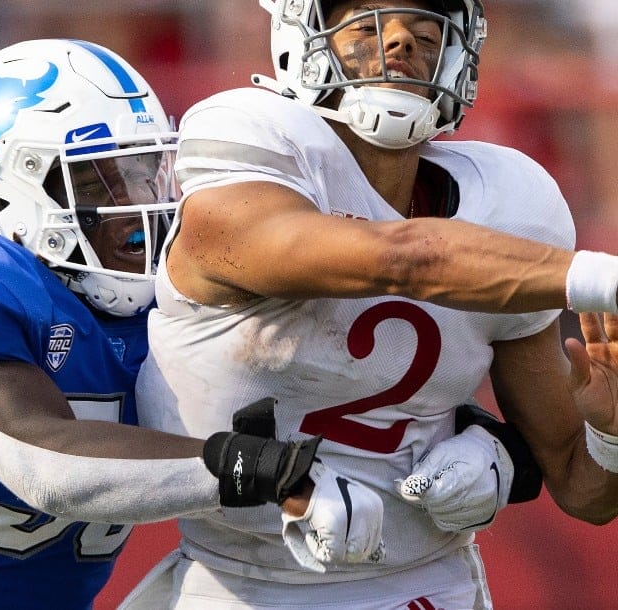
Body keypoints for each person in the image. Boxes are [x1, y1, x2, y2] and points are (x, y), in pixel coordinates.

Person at [0, 37, 537, 610]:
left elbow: (339, 371)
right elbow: (48, 462)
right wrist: (263, 470)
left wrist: (487, 443)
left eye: (149, 170)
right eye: (104, 181)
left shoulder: (169, 285)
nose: (138, 204)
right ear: (2, 187)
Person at [129, 0, 618, 608]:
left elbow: (586, 490)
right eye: (365, 26)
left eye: (426, 30)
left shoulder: (512, 199)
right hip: (242, 588)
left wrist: (611, 433)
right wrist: (601, 277)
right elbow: (402, 258)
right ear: (302, 36)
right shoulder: (246, 142)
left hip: (434, 587)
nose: (401, 44)